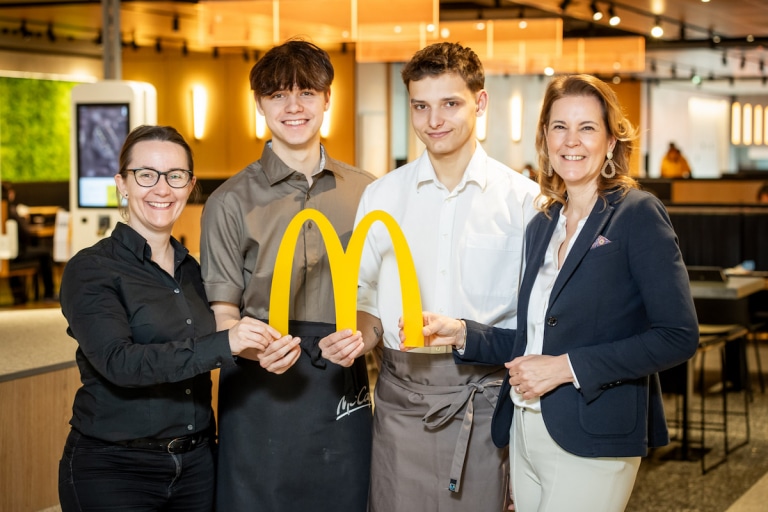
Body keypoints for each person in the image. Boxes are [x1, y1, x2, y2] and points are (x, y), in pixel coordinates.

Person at [405, 74, 700, 512]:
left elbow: (678, 334)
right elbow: (535, 340)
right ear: (544, 136)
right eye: (559, 127)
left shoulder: (636, 214)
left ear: (611, 139)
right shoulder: (543, 224)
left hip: (593, 432)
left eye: (587, 128)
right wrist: (462, 331)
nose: (571, 141)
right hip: (525, 428)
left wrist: (565, 368)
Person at [319, 42, 540, 511]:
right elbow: (371, 301)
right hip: (401, 396)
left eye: (450, 104)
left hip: (487, 398)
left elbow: (540, 319)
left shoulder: (525, 201)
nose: (434, 120)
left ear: (479, 103)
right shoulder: (382, 196)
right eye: (421, 106)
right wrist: (359, 336)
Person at [200, 39, 375, 511]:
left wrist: (365, 334)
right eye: (278, 95)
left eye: (307, 93)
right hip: (258, 387)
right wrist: (255, 349)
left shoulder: (369, 191)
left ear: (327, 100)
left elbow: (380, 300)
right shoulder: (228, 202)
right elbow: (223, 314)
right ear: (259, 104)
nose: (293, 107)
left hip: (342, 383)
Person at [58, 125, 269, 511]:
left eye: (175, 176)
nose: (162, 188)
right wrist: (227, 344)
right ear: (122, 183)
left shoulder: (196, 272)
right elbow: (120, 363)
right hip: (115, 468)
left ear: (190, 186)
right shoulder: (91, 269)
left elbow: (217, 343)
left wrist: (263, 349)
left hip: (198, 467)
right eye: (146, 174)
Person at [1, 181, 56, 303]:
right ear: (10, 194)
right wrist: (23, 219)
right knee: (45, 253)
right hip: (16, 254)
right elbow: (26, 233)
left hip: (7, 255)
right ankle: (49, 293)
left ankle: (20, 295)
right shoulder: (11, 211)